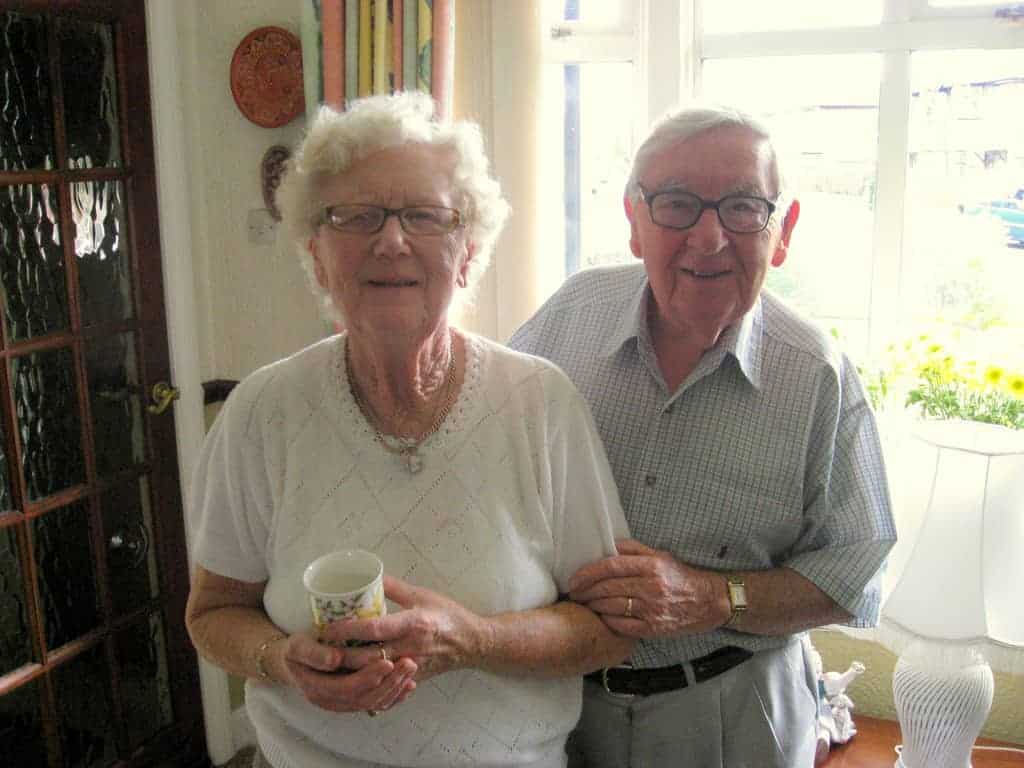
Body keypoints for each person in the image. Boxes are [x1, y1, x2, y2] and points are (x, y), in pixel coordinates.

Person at [185, 92, 633, 768]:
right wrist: (281, 659)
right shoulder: (262, 411)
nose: (391, 240)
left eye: (425, 216)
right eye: (356, 216)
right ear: (316, 253)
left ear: (467, 252)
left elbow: (609, 629)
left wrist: (474, 639)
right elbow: (213, 614)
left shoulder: (541, 403)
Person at [509, 104, 897, 768]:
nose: (709, 237)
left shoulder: (816, 377)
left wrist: (714, 597)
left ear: (782, 231)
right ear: (634, 222)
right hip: (559, 705)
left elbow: (850, 576)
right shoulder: (568, 319)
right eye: (677, 204)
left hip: (733, 713)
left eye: (743, 207)